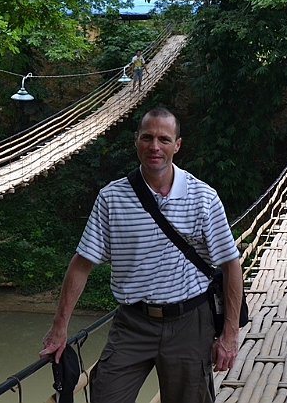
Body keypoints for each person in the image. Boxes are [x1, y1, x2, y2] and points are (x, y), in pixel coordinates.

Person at [39, 107, 242, 403]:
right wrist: (60, 327)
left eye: (163, 139)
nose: (154, 146)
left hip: (189, 322)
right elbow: (82, 265)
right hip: (132, 321)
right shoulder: (112, 198)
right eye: (147, 137)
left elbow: (231, 264)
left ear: (177, 144)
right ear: (136, 141)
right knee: (106, 394)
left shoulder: (203, 198)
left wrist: (229, 335)